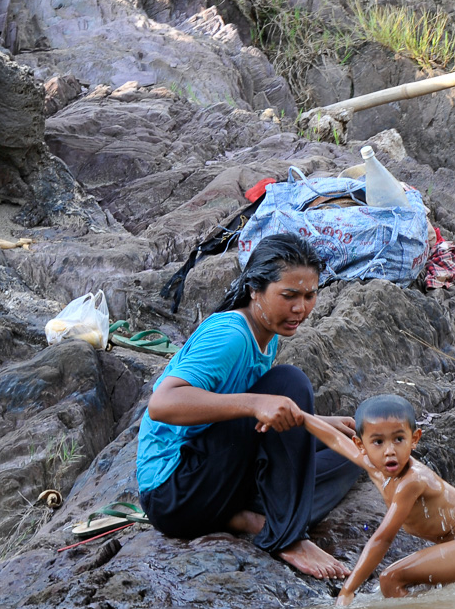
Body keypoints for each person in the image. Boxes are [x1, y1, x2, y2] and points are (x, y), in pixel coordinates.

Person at [135, 233, 363, 579]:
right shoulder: (231, 335)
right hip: (175, 491)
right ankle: (286, 535)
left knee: (353, 452)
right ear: (255, 289)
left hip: (215, 477)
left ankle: (240, 516)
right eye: (289, 296)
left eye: (309, 295)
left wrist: (316, 423)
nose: (300, 308)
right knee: (290, 383)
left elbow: (258, 418)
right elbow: (163, 404)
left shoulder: (267, 333)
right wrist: (258, 402)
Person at [302, 394, 455, 604]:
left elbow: (382, 539)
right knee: (420, 590)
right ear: (361, 445)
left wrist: (347, 591)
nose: (390, 451)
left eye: (398, 439)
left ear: (414, 439)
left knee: (390, 578)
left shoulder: (411, 481)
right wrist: (299, 416)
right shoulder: (372, 464)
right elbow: (335, 439)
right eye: (378, 442)